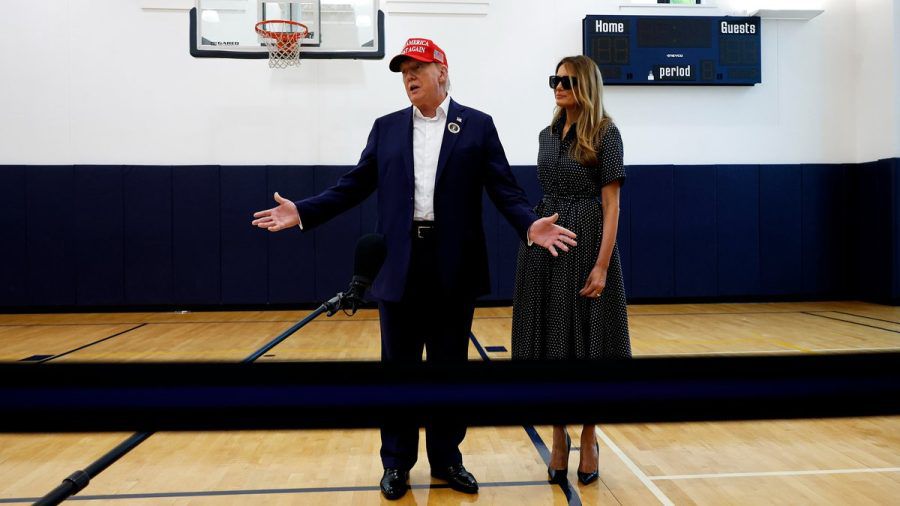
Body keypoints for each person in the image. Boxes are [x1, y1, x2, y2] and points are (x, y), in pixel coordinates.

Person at [251, 38, 578, 500]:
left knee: (449, 370)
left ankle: (447, 460)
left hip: (453, 266)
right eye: (404, 69)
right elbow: (354, 185)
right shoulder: (385, 129)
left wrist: (530, 226)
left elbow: (504, 189)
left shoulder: (478, 126)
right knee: (399, 371)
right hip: (399, 265)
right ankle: (396, 464)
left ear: (442, 71)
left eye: (418, 67)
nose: (409, 76)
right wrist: (303, 211)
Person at [511, 55, 631, 486]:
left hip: (585, 248)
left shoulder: (606, 133)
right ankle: (558, 435)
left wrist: (601, 266)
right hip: (546, 248)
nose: (558, 87)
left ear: (586, 85)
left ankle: (589, 435)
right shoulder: (546, 135)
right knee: (549, 343)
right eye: (554, 80)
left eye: (567, 80)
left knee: (589, 344)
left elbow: (612, 205)